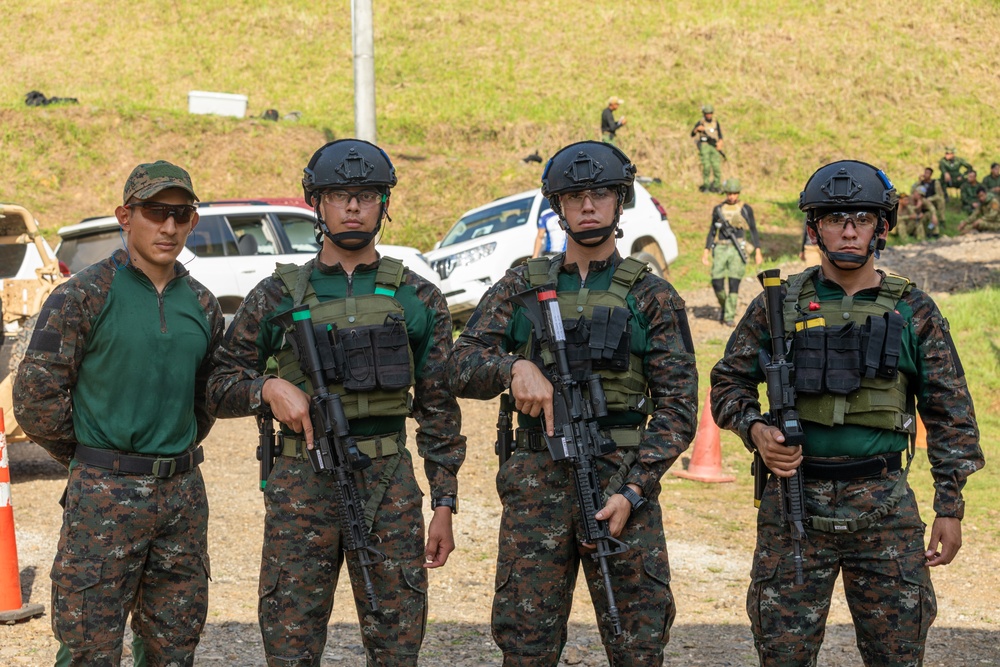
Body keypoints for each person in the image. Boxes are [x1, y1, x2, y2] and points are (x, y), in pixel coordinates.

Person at [710, 159, 985, 666]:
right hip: (793, 506)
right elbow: (727, 382)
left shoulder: (913, 311)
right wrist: (755, 428)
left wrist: (950, 506)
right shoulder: (778, 305)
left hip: (884, 507)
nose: (849, 229)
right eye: (835, 218)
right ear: (815, 228)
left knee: (898, 654)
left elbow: (950, 412)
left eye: (862, 217)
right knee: (783, 653)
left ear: (881, 226)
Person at [206, 138, 466, 666]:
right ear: (316, 204)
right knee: (290, 642)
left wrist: (443, 503)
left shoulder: (417, 297)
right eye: (339, 195)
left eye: (367, 195)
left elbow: (439, 406)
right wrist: (267, 389)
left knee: (396, 642)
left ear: (384, 205)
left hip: (388, 482)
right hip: (302, 484)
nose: (353, 207)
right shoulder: (276, 296)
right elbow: (217, 383)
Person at [447, 140, 698, 666]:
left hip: (621, 487)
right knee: (525, 643)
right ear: (558, 205)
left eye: (601, 192)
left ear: (620, 201)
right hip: (537, 484)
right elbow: (458, 363)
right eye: (574, 195)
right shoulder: (522, 286)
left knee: (638, 640)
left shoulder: (651, 297)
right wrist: (514, 367)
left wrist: (634, 489)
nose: (588, 205)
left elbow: (678, 409)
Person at [13, 160, 225, 666]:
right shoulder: (82, 296)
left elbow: (206, 396)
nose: (169, 227)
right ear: (125, 216)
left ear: (192, 221)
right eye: (155, 212)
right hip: (103, 497)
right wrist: (92, 453)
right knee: (88, 647)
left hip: (181, 498)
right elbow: (36, 398)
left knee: (173, 646)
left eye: (180, 214)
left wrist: (170, 442)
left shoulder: (202, 304)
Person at [701, 178, 763, 326]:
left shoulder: (745, 208)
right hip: (721, 248)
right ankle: (724, 306)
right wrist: (706, 250)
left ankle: (729, 316)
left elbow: (753, 229)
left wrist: (758, 250)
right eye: (729, 193)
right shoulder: (718, 209)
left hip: (737, 249)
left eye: (734, 193)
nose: (732, 196)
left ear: (738, 193)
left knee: (734, 282)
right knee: (717, 281)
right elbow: (712, 231)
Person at [691, 103, 724, 193]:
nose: (709, 115)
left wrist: (720, 142)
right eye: (707, 113)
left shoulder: (715, 122)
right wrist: (697, 129)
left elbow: (720, 134)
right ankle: (706, 185)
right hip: (705, 145)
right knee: (706, 166)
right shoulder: (701, 122)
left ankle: (716, 185)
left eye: (710, 113)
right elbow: (692, 134)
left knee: (716, 166)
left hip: (714, 146)